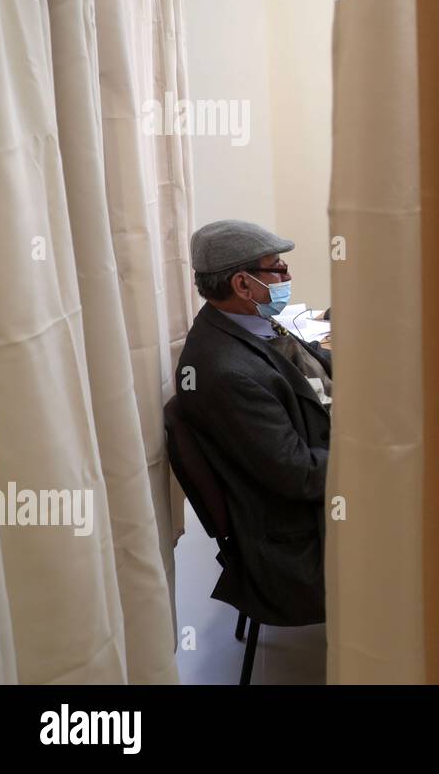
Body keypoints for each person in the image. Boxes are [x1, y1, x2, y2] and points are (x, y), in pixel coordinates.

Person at [176, 219, 332, 626]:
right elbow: (300, 475)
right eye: (277, 269)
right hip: (298, 547)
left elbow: (306, 362)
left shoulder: (239, 321)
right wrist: (373, 456)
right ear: (244, 285)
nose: (288, 276)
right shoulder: (226, 372)